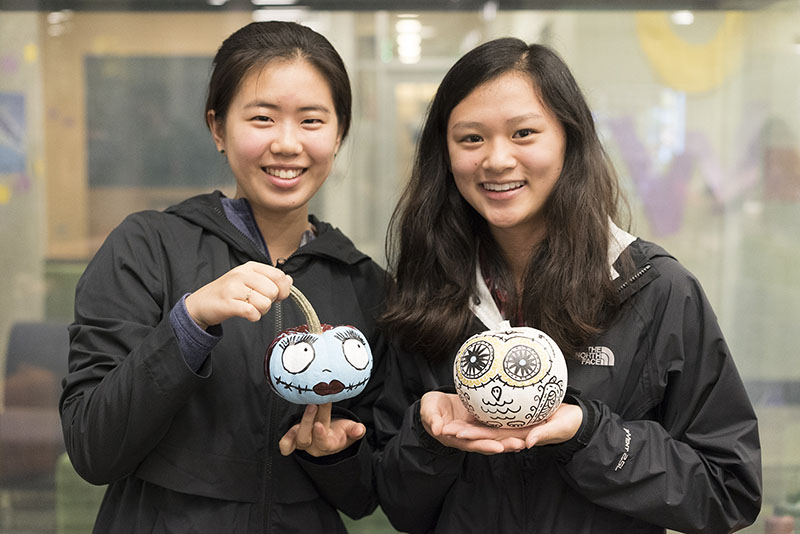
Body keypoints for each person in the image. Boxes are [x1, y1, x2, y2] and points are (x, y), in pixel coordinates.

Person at [373, 37, 762, 534]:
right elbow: (398, 506)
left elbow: (729, 490)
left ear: (569, 139)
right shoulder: (426, 289)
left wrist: (590, 434)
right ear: (444, 154)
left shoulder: (653, 288)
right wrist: (429, 439)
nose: (496, 159)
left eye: (524, 133)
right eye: (470, 138)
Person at [60, 21, 385, 533]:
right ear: (217, 128)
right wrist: (189, 322)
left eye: (311, 121)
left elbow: (367, 497)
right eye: (262, 118)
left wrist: (333, 455)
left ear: (339, 132)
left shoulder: (365, 284)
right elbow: (92, 449)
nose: (287, 143)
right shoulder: (147, 248)